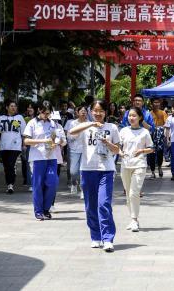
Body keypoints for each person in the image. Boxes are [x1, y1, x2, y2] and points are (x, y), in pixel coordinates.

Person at [69, 100, 120, 252]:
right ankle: (95, 236)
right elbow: (72, 132)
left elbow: (117, 150)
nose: (98, 114)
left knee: (103, 204)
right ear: (91, 112)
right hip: (88, 169)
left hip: (106, 169)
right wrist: (91, 124)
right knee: (90, 205)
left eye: (101, 111)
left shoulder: (112, 128)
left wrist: (107, 143)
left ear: (106, 112)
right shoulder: (86, 127)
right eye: (95, 111)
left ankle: (108, 238)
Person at [23, 101, 66, 220]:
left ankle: (46, 208)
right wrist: (43, 141)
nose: (46, 115)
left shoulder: (55, 124)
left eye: (48, 113)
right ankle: (39, 211)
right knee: (38, 185)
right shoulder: (32, 123)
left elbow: (63, 140)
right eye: (44, 113)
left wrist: (57, 142)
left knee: (53, 182)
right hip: (37, 158)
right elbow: (26, 141)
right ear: (39, 111)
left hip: (52, 157)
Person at [119, 107, 154, 232]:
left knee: (134, 193)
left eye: (134, 116)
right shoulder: (123, 131)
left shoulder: (145, 132)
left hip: (139, 165)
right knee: (128, 194)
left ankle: (134, 219)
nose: (131, 118)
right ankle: (133, 218)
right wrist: (120, 152)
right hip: (125, 165)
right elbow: (118, 146)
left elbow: (151, 148)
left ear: (140, 117)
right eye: (129, 115)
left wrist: (142, 151)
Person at [0, 100, 27, 193]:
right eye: (11, 106)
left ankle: (10, 185)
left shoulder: (19, 118)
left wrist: (24, 144)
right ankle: (8, 183)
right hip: (4, 146)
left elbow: (24, 132)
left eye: (15, 106)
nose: (14, 108)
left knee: (11, 164)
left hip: (15, 146)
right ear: (7, 107)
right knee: (6, 166)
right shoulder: (1, 118)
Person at [64, 105, 88, 196]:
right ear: (77, 113)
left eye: (85, 110)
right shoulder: (72, 123)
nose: (83, 112)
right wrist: (75, 135)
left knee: (83, 170)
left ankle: (83, 189)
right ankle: (74, 183)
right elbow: (68, 136)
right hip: (74, 149)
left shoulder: (89, 123)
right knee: (73, 171)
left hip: (86, 150)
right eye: (81, 111)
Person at [149, 97, 168, 178]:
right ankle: (153, 171)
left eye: (158, 102)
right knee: (151, 153)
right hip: (151, 135)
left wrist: (161, 130)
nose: (156, 104)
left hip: (160, 135)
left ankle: (160, 167)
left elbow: (166, 124)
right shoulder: (149, 113)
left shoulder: (163, 113)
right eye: (155, 102)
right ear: (151, 104)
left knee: (160, 152)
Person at [21, 103, 37, 190]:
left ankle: (36, 182)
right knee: (28, 163)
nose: (29, 109)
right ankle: (30, 183)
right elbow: (24, 133)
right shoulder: (25, 119)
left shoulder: (38, 119)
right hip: (28, 144)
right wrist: (24, 144)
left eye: (31, 108)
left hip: (38, 144)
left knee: (36, 163)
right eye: (28, 107)